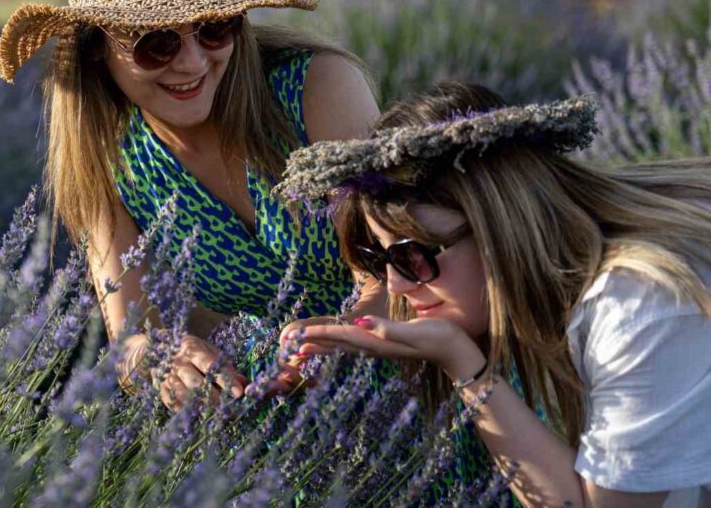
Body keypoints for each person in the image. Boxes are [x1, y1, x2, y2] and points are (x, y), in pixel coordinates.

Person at [0, 0, 382, 410]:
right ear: (97, 50)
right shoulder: (109, 161)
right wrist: (159, 357)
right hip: (265, 427)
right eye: (156, 42)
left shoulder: (316, 90)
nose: (194, 62)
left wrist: (341, 338)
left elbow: (395, 272)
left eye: (214, 27)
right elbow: (131, 333)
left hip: (402, 390)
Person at [276, 82, 711, 507]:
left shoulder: (635, 306)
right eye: (379, 258)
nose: (397, 286)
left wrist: (467, 368)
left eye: (412, 256)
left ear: (499, 227)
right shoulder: (582, 280)